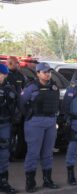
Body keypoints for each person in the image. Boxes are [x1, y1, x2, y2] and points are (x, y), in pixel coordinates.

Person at [19, 62, 60, 193]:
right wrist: (30, 116)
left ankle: (47, 179)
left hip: (50, 122)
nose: (48, 74)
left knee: (48, 153)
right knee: (33, 153)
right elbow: (21, 103)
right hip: (35, 122)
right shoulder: (31, 87)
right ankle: (30, 182)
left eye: (49, 72)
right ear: (38, 73)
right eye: (44, 72)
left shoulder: (54, 87)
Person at [0, 64, 17, 193]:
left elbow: (16, 106)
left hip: (4, 124)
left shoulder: (8, 89)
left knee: (4, 154)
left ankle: (3, 182)